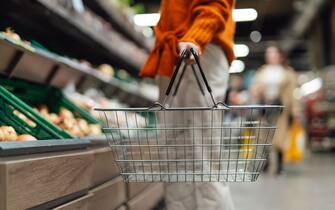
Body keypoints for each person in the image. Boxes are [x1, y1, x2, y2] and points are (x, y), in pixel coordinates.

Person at [140, 0, 236, 210]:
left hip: (197, 50)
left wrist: (197, 37)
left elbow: (216, 3)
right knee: (177, 155)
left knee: (199, 155)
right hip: (180, 51)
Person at [252, 45, 300, 175]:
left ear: (280, 55)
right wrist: (257, 92)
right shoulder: (262, 71)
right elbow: (254, 88)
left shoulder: (288, 72)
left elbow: (293, 93)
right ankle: (265, 164)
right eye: (269, 53)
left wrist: (295, 109)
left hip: (281, 109)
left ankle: (279, 165)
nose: (271, 56)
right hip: (265, 108)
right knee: (264, 137)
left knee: (280, 137)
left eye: (274, 53)